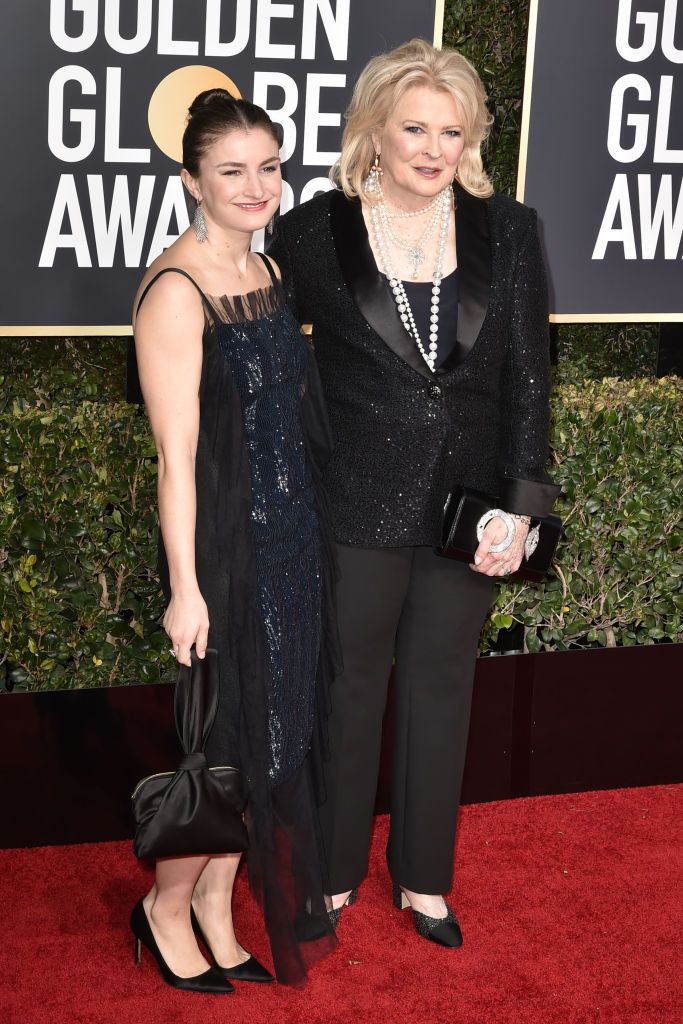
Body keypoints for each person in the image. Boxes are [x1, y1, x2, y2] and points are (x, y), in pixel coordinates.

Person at [268, 38, 559, 947]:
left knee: (441, 684)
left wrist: (523, 504)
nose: (432, 148)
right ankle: (333, 871)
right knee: (348, 686)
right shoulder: (314, 232)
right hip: (351, 498)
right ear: (374, 131)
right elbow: (268, 361)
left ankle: (425, 878)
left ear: (470, 138)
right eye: (413, 127)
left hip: (467, 508)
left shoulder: (505, 229)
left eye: (450, 129)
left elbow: (527, 378)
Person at [131, 89, 339, 990]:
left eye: (269, 167)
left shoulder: (265, 272)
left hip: (293, 546)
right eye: (232, 172)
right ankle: (164, 908)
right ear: (191, 180)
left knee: (275, 741)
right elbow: (176, 459)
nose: (257, 187)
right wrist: (186, 585)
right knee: (221, 751)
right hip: (223, 555)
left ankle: (219, 903)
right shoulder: (175, 292)